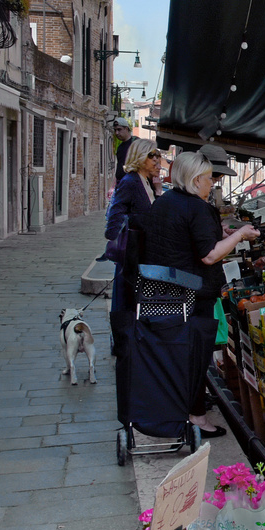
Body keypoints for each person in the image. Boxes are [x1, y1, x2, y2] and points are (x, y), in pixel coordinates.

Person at [140, 150, 258, 435]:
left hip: (162, 293)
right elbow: (208, 255)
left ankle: (179, 409)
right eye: (208, 179)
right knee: (196, 356)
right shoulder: (198, 207)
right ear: (195, 180)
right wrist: (239, 235)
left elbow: (182, 239)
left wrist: (223, 232)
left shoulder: (164, 202)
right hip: (193, 295)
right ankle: (197, 418)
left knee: (174, 354)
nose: (211, 184)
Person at [106, 137, 161, 402]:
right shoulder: (129, 182)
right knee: (127, 306)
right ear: (140, 156)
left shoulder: (147, 183)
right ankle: (125, 348)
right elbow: (114, 219)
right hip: (130, 259)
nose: (157, 161)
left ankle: (132, 348)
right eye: (153, 156)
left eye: (158, 156)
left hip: (141, 258)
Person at [113, 120, 137, 187]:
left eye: (119, 129)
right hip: (121, 184)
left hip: (132, 184)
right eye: (115, 130)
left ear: (126, 129)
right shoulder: (120, 147)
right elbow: (119, 167)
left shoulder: (136, 143)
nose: (117, 133)